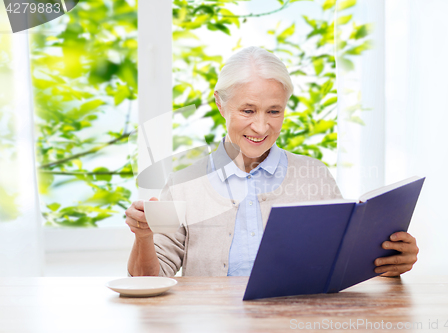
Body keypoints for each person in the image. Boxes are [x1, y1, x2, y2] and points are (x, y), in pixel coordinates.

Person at [126, 46, 419, 278]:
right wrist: (143, 238)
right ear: (220, 104)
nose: (261, 127)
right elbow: (149, 278)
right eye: (248, 110)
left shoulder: (313, 175)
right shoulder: (184, 184)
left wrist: (390, 264)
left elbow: (342, 263)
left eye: (274, 111)